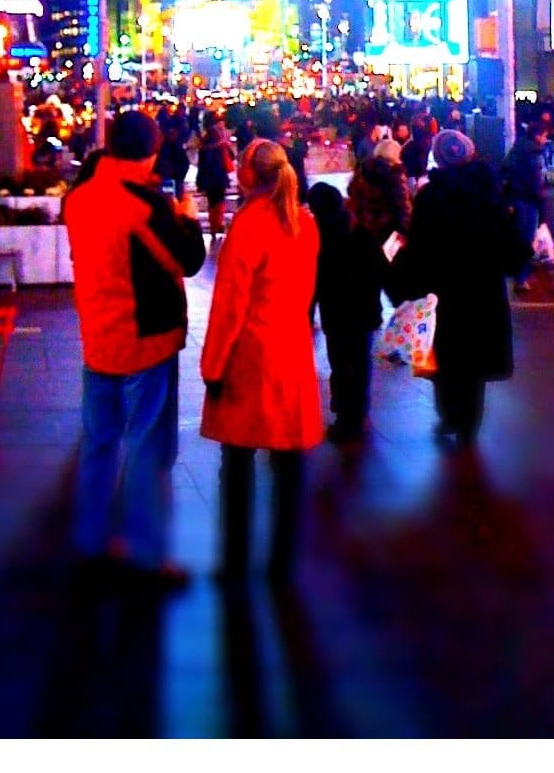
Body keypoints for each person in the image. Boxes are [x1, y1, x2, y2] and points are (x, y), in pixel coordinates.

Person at [65, 109, 205, 589]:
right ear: (149, 152)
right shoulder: (143, 206)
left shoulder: (79, 197)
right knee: (148, 448)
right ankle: (146, 555)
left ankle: (91, 540)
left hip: (97, 336)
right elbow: (187, 261)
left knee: (99, 443)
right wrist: (185, 219)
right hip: (145, 341)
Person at [201, 140, 323, 580]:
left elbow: (230, 304)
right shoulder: (303, 222)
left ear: (251, 174)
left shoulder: (249, 225)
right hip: (291, 349)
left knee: (238, 461)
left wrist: (213, 366)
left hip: (251, 355)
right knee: (289, 462)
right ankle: (282, 559)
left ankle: (235, 558)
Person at [392, 130, 530, 449]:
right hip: (483, 291)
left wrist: (406, 282)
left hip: (444, 293)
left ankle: (450, 414)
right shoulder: (489, 194)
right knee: (476, 366)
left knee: (447, 359)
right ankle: (470, 424)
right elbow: (509, 239)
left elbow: (419, 249)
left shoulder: (430, 197)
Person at [315, 165, 390, 443]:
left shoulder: (326, 229)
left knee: (340, 360)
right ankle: (357, 412)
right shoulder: (372, 227)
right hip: (365, 304)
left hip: (335, 305)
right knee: (360, 361)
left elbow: (319, 270)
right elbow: (382, 267)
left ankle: (345, 411)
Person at [502, 121, 550, 295]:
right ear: (538, 135)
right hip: (528, 201)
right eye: (545, 135)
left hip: (515, 199)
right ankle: (521, 278)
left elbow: (506, 170)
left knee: (518, 238)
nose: (546, 139)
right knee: (526, 240)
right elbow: (536, 183)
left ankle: (518, 275)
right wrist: (543, 207)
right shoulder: (533, 153)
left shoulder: (518, 148)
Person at [196, 115, 235, 242]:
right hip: (217, 175)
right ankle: (217, 224)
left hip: (210, 176)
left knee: (213, 201)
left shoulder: (206, 138)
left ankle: (215, 226)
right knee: (218, 201)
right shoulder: (217, 138)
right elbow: (230, 156)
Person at [153, 120, 190, 201]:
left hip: (169, 178)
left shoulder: (166, 147)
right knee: (170, 199)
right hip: (171, 178)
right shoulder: (174, 147)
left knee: (168, 199)